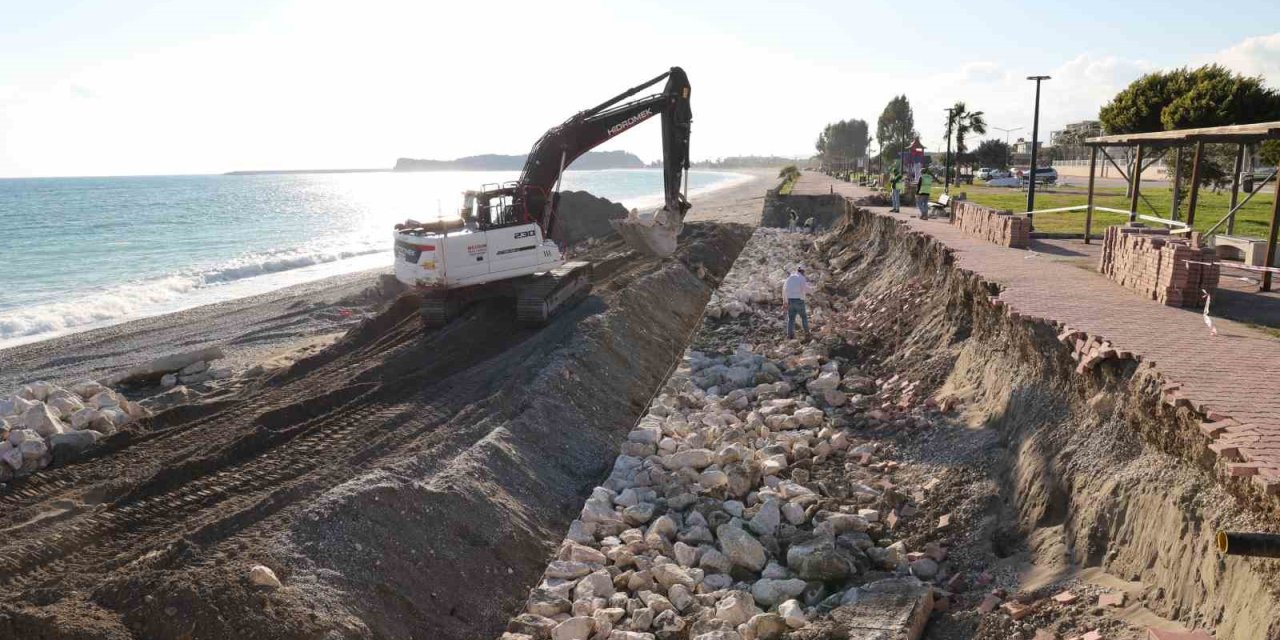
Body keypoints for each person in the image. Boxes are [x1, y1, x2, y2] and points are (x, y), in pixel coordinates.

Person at [782, 266, 812, 339]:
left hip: (790, 300)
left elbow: (784, 290)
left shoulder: (789, 278)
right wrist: (812, 291)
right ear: (802, 272)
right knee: (804, 317)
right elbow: (805, 288)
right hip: (799, 301)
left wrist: (785, 302)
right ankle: (807, 333)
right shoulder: (801, 278)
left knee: (791, 319)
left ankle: (789, 335)